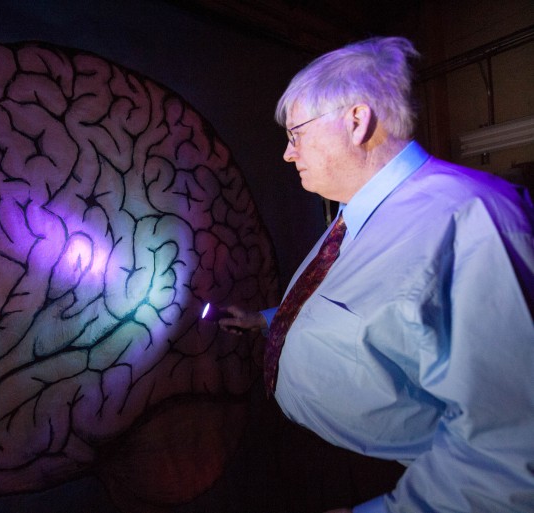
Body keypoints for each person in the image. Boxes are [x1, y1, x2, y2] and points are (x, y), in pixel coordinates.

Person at [220, 36, 534, 512]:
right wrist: (267, 319)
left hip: (391, 482)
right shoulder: (356, 215)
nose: (288, 154)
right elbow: (373, 314)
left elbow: (511, 441)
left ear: (356, 120)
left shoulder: (467, 218)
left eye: (296, 134)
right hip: (315, 458)